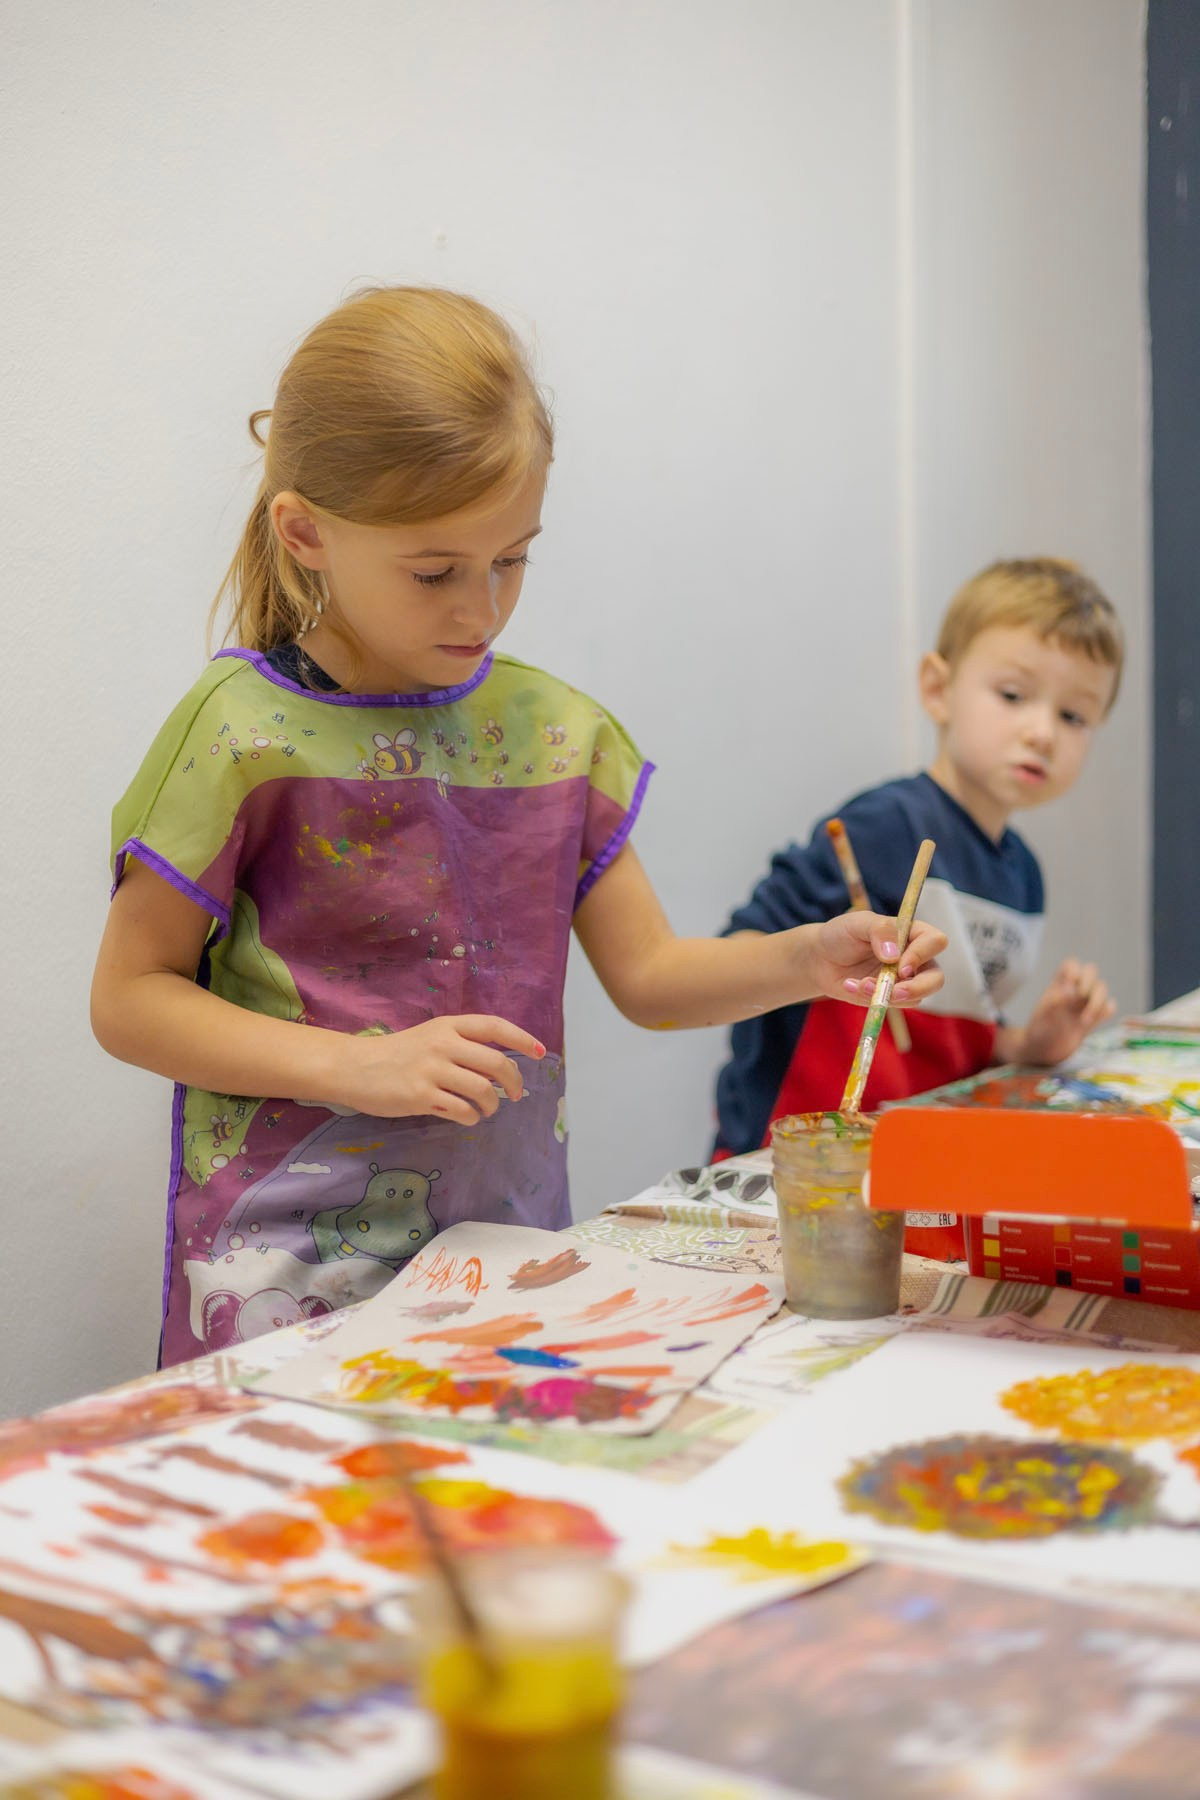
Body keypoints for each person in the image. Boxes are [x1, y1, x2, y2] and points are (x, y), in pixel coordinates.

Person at [91, 286, 946, 1365]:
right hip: (282, 1283)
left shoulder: (551, 735)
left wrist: (811, 958)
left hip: (504, 1261)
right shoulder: (237, 738)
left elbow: (651, 975)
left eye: (513, 559)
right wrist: (360, 1066)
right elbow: (128, 1001)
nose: (481, 608)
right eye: (436, 571)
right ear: (305, 531)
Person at [712, 556, 1122, 1257]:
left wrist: (1029, 1044)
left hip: (920, 1181)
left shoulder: (1025, 876)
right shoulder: (885, 826)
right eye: (1014, 695)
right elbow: (739, 952)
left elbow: (957, 1035)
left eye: (1074, 714)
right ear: (938, 689)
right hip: (803, 1173)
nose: (1043, 731)